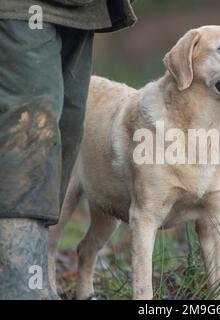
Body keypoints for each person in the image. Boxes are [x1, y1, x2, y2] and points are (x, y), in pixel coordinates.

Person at [0, 0, 136, 299]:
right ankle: (18, 280)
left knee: (68, 126)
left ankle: (34, 270)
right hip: (21, 6)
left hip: (84, 9)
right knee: (32, 124)